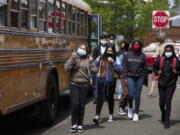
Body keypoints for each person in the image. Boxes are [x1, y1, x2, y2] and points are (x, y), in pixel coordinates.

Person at [64, 44, 97, 133]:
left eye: (84, 49)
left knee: (81, 105)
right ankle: (73, 124)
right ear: (78, 49)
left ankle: (80, 124)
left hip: (84, 85)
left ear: (87, 51)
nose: (82, 50)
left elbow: (95, 70)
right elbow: (66, 68)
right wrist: (72, 58)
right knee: (75, 104)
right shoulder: (74, 58)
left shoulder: (88, 59)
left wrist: (91, 62)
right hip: (74, 84)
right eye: (80, 48)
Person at [93, 46, 121, 125]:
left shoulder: (116, 58)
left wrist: (113, 61)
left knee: (110, 98)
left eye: (111, 51)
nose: (109, 53)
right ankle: (97, 116)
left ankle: (111, 115)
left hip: (111, 81)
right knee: (100, 97)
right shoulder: (101, 57)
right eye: (108, 51)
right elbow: (94, 64)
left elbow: (119, 69)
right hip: (100, 80)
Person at [153, 44, 180, 128]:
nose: (168, 52)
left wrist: (176, 72)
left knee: (168, 101)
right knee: (161, 103)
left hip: (171, 84)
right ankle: (163, 113)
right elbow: (154, 68)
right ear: (165, 51)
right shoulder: (160, 60)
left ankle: (167, 121)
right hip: (161, 84)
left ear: (172, 51)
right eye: (167, 51)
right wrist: (157, 72)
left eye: (170, 51)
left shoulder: (176, 61)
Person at [123, 38, 148, 121]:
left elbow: (145, 68)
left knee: (137, 95)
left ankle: (136, 112)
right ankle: (130, 108)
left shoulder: (143, 55)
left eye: (138, 44)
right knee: (130, 95)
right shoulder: (127, 54)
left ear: (140, 46)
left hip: (139, 77)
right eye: (135, 44)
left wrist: (144, 77)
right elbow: (125, 67)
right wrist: (125, 77)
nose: (136, 45)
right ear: (132, 45)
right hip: (130, 76)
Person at [147, 32, 166, 97]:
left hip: (163, 63)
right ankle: (151, 92)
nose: (158, 37)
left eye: (159, 36)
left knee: (162, 78)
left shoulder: (165, 45)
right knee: (154, 78)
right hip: (156, 63)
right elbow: (156, 52)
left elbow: (164, 55)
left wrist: (159, 55)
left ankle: (163, 92)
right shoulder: (158, 45)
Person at [115, 40, 130, 115]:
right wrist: (123, 70)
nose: (123, 46)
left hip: (132, 76)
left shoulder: (131, 54)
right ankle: (120, 106)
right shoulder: (122, 55)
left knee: (130, 93)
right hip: (124, 76)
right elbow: (118, 66)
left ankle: (123, 107)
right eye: (122, 45)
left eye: (124, 45)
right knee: (125, 92)